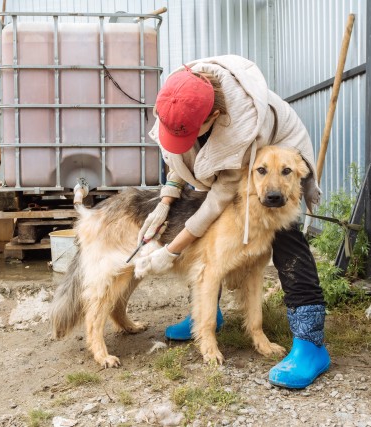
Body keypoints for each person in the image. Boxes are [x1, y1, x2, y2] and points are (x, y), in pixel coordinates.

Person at [135, 55, 330, 389]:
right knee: (217, 246)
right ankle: (209, 315)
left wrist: (170, 250)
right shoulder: (184, 95)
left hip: (279, 156)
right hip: (238, 165)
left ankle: (310, 344)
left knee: (288, 243)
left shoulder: (242, 127)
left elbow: (215, 202)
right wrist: (165, 201)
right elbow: (180, 156)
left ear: (214, 116)